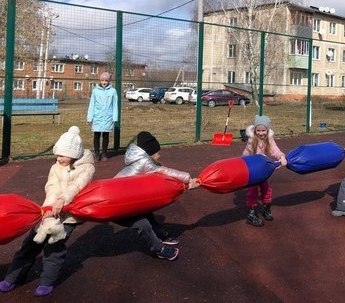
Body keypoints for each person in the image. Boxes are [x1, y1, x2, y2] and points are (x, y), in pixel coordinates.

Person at [0, 126, 95, 297]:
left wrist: (62, 201)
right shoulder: (55, 167)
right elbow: (51, 187)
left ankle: (47, 281)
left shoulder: (86, 168)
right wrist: (50, 208)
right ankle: (13, 277)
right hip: (49, 211)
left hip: (69, 216)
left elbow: (77, 186)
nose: (58, 159)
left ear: (74, 154)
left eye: (62, 155)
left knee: (53, 247)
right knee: (30, 244)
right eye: (57, 155)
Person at [114, 131, 200, 260]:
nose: (159, 155)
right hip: (116, 204)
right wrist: (188, 179)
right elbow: (165, 172)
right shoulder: (144, 162)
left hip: (126, 199)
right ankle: (158, 249)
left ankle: (160, 233)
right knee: (142, 223)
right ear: (148, 153)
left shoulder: (138, 160)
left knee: (147, 211)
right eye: (156, 152)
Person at [242, 115, 287, 227]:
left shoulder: (269, 139)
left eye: (263, 130)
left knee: (266, 189)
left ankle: (267, 207)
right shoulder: (252, 140)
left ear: (267, 130)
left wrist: (281, 156)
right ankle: (251, 213)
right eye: (258, 130)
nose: (261, 133)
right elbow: (250, 156)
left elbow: (274, 150)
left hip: (262, 169)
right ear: (254, 130)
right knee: (252, 191)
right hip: (252, 169)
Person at [87, 72, 118, 161]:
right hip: (97, 117)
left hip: (107, 117)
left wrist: (114, 117)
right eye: (102, 80)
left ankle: (104, 153)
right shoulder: (95, 91)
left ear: (109, 81)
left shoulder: (113, 91)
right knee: (96, 135)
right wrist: (90, 118)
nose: (104, 82)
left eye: (106, 80)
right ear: (100, 80)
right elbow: (92, 104)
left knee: (105, 135)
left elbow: (115, 105)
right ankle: (97, 154)